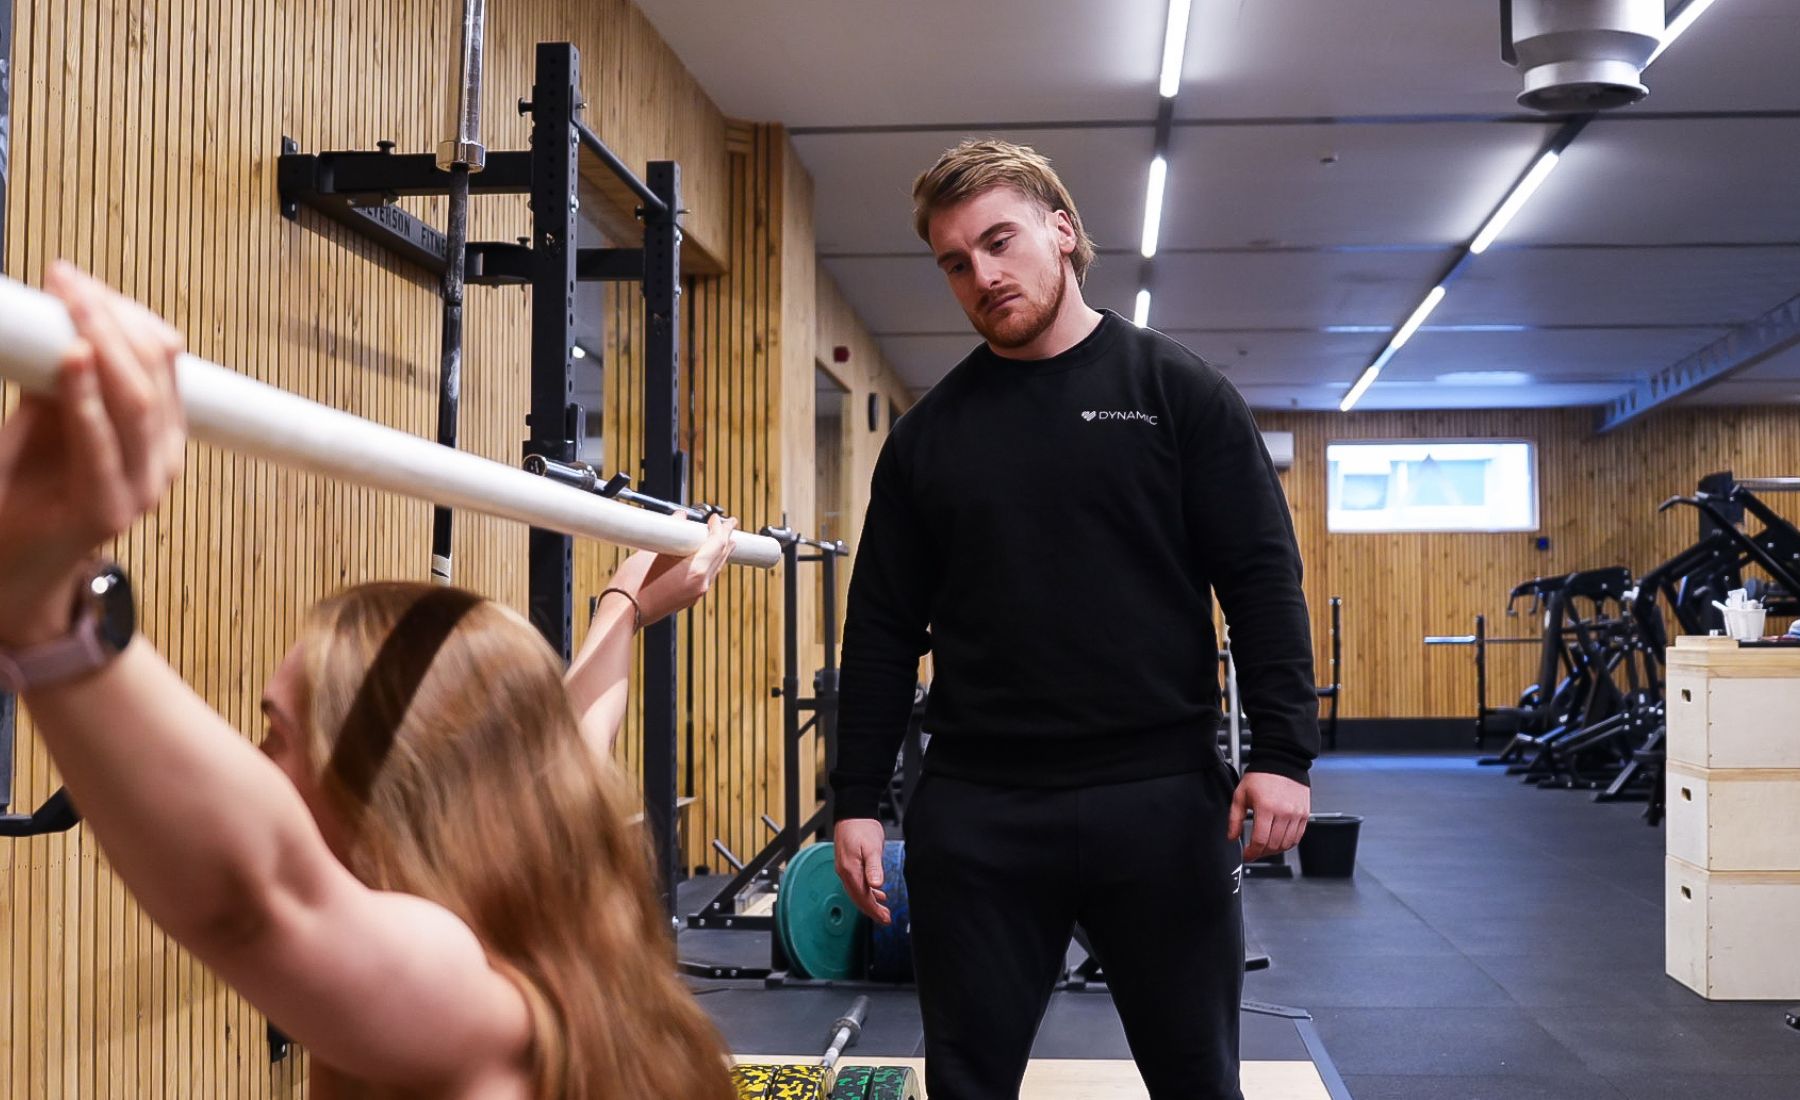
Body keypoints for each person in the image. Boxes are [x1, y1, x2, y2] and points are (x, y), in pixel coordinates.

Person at [0, 263, 739, 1099]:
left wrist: (44, 600)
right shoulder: (552, 950)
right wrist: (626, 608)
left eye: (280, 734)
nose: (256, 762)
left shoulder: (471, 1002)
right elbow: (573, 736)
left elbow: (257, 897)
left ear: (396, 788)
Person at [830, 141, 1320, 1100]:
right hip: (981, 810)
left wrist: (1285, 752)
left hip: (1161, 798)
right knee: (966, 1084)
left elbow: (1262, 580)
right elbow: (884, 626)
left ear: (1062, 230)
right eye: (956, 262)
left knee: (1197, 1081)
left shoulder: (1177, 394)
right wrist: (857, 796)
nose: (983, 275)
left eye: (1000, 242)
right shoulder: (931, 439)